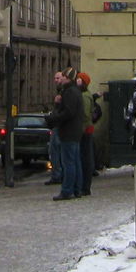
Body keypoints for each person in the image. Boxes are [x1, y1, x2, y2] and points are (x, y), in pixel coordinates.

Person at [45, 67, 84, 200]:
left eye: (62, 77)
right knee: (75, 161)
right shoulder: (75, 91)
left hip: (69, 131)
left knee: (69, 163)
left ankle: (67, 190)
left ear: (67, 78)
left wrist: (54, 117)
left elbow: (68, 112)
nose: (60, 79)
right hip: (75, 131)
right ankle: (77, 189)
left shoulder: (69, 92)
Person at [78, 72, 100, 195]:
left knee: (85, 158)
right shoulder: (86, 95)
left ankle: (85, 187)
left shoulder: (85, 96)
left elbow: (85, 114)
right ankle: (85, 186)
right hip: (86, 128)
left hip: (84, 129)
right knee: (86, 157)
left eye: (79, 79)